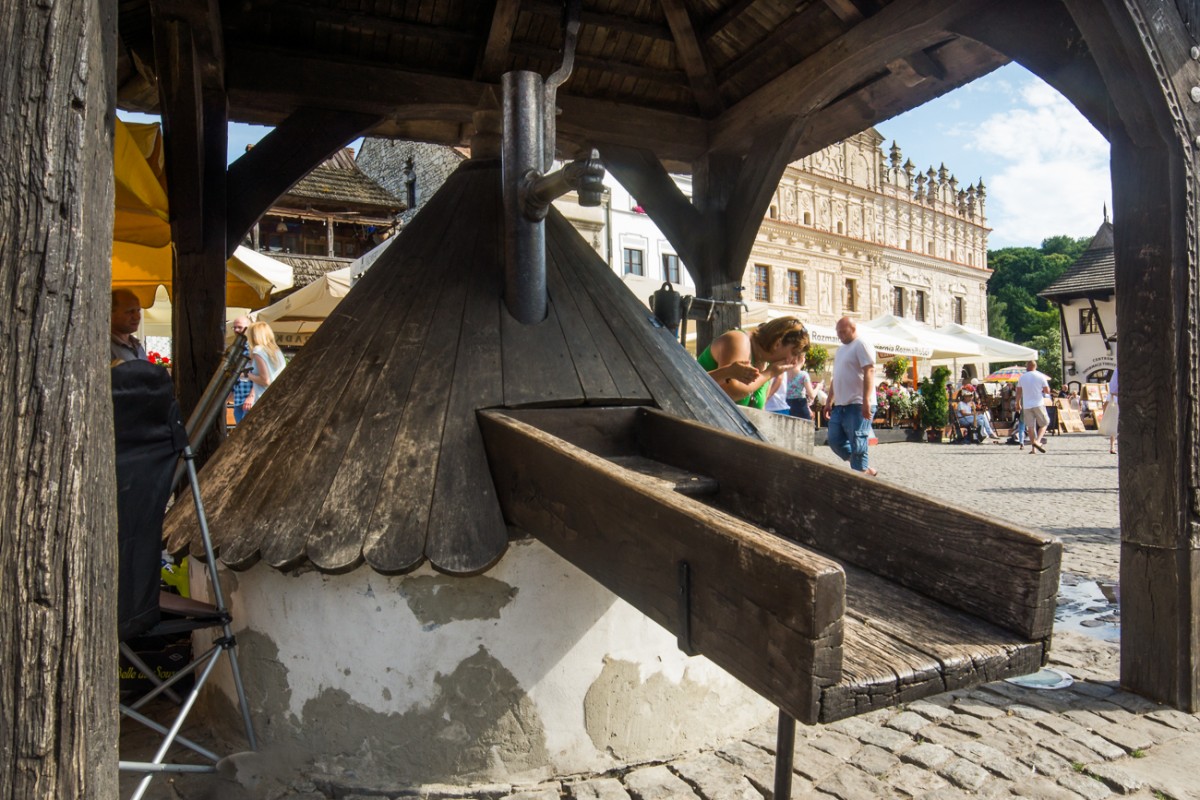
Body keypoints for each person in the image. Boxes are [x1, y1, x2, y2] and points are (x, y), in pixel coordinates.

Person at [697, 317, 810, 409]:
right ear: (777, 343)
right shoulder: (739, 340)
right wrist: (769, 373)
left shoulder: (765, 364)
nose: (795, 361)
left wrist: (769, 373)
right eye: (794, 353)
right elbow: (730, 392)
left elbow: (758, 410)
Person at [824, 316, 877, 475]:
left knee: (858, 443)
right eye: (838, 332)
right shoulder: (840, 350)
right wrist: (829, 401)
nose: (840, 335)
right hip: (841, 404)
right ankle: (863, 469)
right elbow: (836, 377)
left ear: (853, 329)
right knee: (835, 441)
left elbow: (869, 371)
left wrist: (866, 400)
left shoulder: (861, 344)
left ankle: (859, 476)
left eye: (843, 331)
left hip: (857, 403)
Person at [246, 321, 287, 406]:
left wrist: (246, 375)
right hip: (278, 398)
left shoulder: (258, 350)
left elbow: (265, 380)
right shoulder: (277, 351)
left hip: (263, 400)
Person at [1016, 359, 1052, 454]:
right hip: (1038, 403)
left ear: (1027, 367)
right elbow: (1047, 391)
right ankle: (1038, 441)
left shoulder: (1022, 377)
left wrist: (1017, 403)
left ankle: (1033, 449)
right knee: (1045, 423)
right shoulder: (1040, 376)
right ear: (1035, 366)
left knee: (1030, 427)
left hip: (1027, 405)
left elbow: (1018, 392)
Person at [110, 289, 148, 363]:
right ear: (110, 314)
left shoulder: (137, 346)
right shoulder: (104, 347)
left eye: (138, 310)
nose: (137, 317)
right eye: (130, 311)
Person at [229, 316, 254, 424]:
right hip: (238, 399)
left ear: (249, 328)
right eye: (234, 327)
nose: (236, 330)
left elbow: (260, 375)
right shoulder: (237, 348)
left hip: (249, 400)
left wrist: (251, 396)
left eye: (240, 327)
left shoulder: (253, 348)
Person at [1100, 367, 1119, 454]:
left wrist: (1104, 414)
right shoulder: (1113, 394)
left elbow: (1105, 405)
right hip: (1115, 408)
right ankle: (1112, 446)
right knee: (1114, 429)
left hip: (1114, 408)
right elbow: (1105, 404)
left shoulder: (1111, 393)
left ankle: (1112, 446)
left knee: (1113, 429)